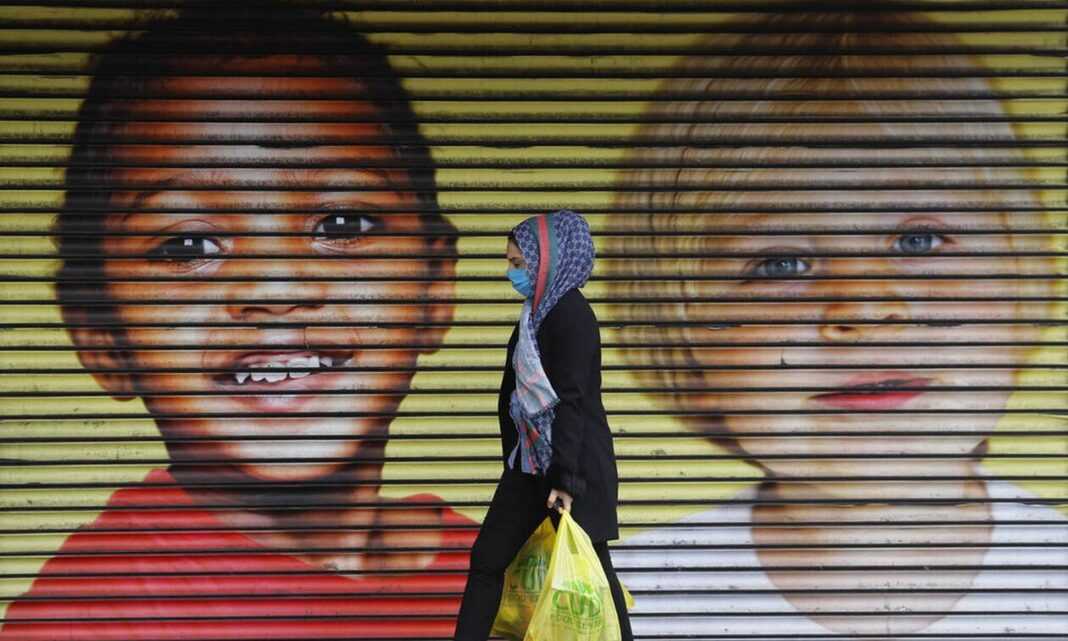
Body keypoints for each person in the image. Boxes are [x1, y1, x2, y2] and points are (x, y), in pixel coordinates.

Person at [0, 6, 476, 640]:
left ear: (436, 288)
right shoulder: (93, 621)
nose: (275, 287)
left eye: (341, 224)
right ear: (100, 335)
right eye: (188, 245)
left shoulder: (499, 572)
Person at [605, 10, 1068, 638]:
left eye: (918, 241)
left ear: (1021, 284)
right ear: (687, 342)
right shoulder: (621, 604)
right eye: (781, 263)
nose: (864, 307)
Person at [453, 210, 633, 641]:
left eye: (518, 263)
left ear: (546, 262)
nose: (511, 273)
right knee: (487, 561)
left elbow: (572, 400)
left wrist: (566, 479)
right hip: (530, 466)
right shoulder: (534, 314)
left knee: (594, 570)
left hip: (572, 469)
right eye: (510, 263)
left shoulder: (571, 315)